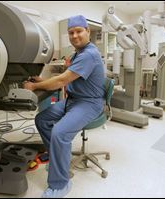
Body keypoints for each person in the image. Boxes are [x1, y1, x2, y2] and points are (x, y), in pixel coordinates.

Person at [23, 15, 105, 198]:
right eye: (71, 32)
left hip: (89, 103)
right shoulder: (78, 54)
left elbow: (61, 80)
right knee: (42, 119)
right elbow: (67, 79)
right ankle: (57, 158)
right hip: (74, 101)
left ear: (88, 32)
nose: (75, 36)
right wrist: (43, 81)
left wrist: (35, 86)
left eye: (79, 31)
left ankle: (60, 184)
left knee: (60, 132)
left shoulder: (89, 54)